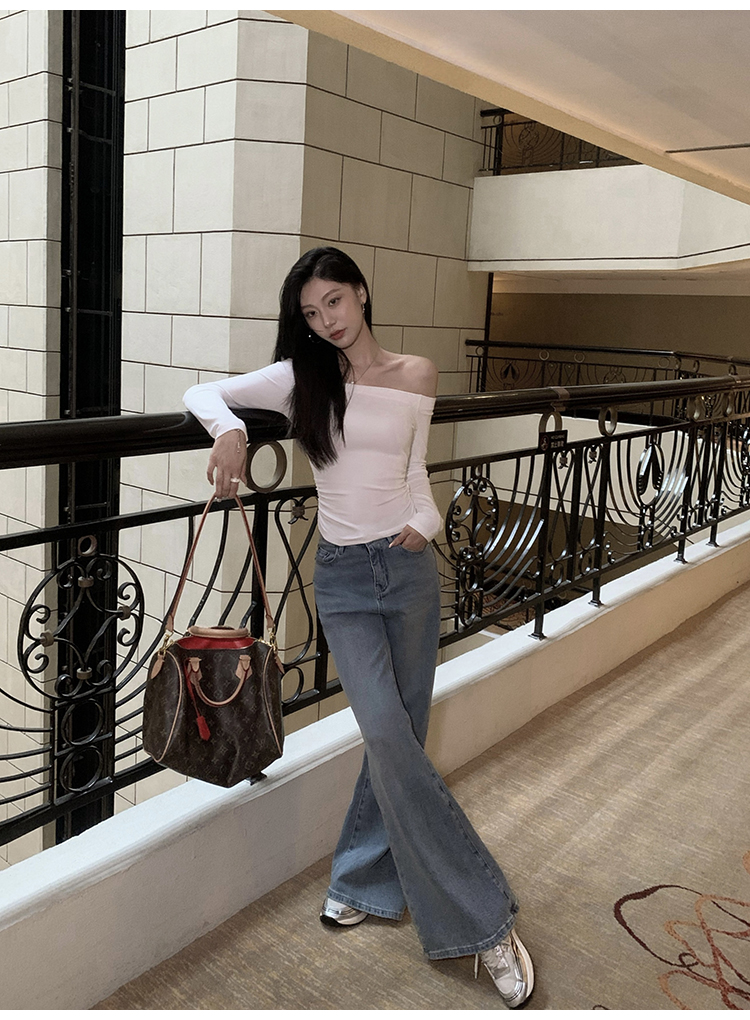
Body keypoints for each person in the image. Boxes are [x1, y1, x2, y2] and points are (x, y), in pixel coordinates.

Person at [183, 246, 534, 1007]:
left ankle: (361, 880)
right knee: (386, 734)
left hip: (408, 572)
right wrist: (230, 430)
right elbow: (202, 391)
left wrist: (427, 521)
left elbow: (414, 473)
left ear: (362, 293)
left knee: (400, 737)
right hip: (343, 579)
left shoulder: (417, 373)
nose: (325, 321)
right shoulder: (299, 379)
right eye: (311, 313)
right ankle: (483, 921)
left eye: (334, 302)